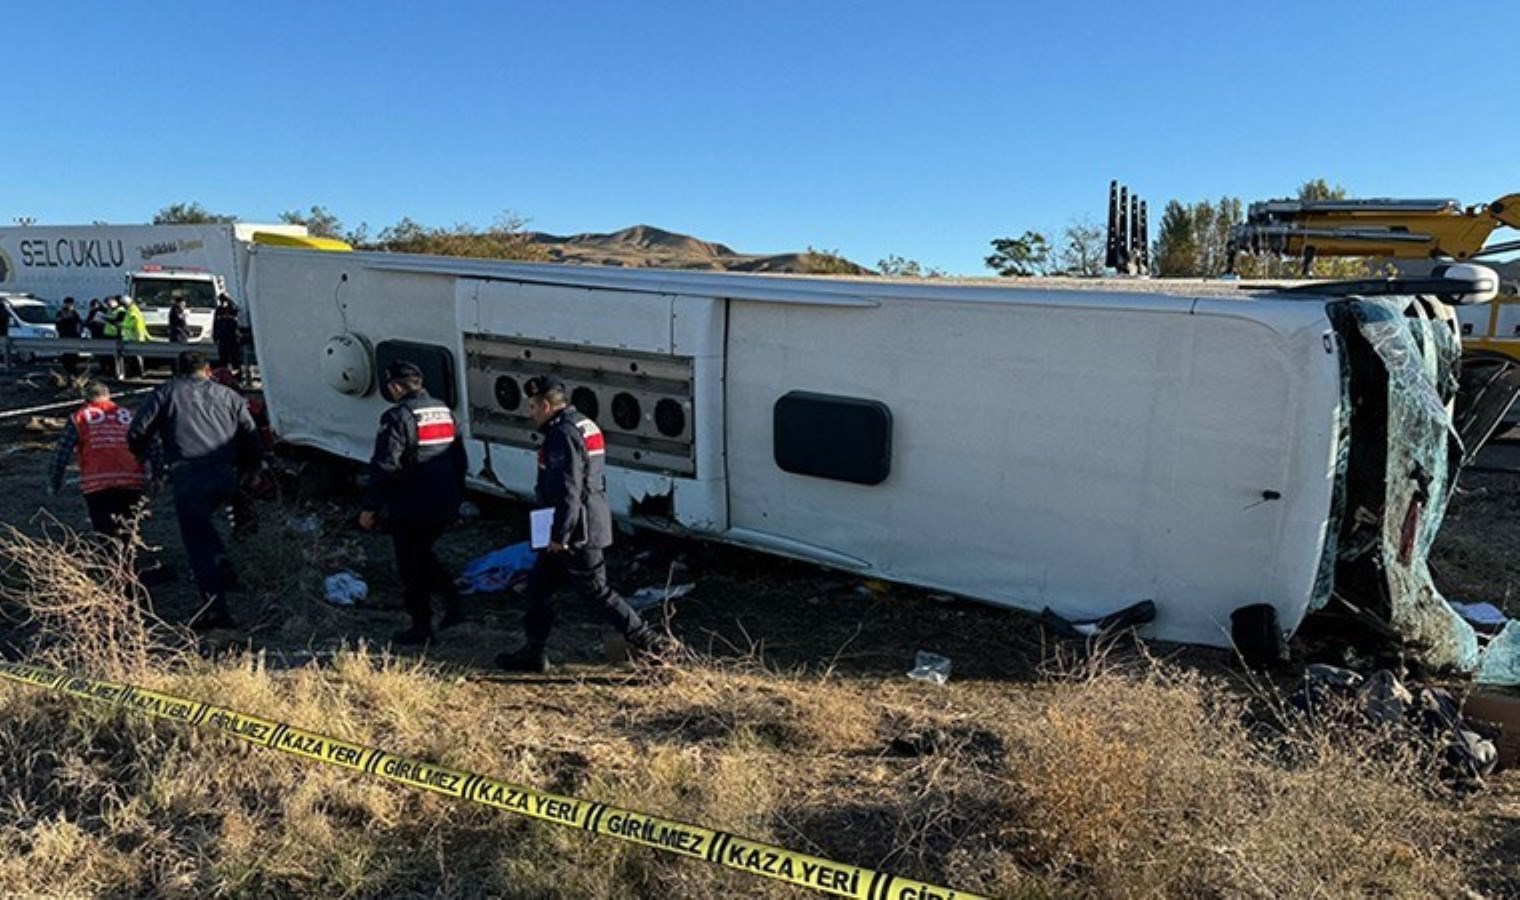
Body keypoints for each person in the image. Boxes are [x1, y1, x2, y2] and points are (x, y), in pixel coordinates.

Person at [496, 375, 678, 672]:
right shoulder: (583, 423)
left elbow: (569, 489)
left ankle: (655, 645)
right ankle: (534, 653)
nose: (530, 413)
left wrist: (560, 535)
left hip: (575, 530)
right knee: (537, 590)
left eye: (532, 406)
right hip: (579, 523)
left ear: (545, 405)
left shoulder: (561, 434)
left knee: (597, 592)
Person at [128, 351, 260, 630]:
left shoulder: (166, 392)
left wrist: (144, 456)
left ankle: (216, 611)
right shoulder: (229, 396)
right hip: (225, 473)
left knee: (196, 540)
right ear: (208, 369)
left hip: (188, 474)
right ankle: (223, 567)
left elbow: (137, 430)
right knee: (203, 523)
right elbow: (251, 434)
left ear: (177, 370)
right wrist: (250, 470)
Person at [359, 360, 467, 645]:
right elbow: (459, 460)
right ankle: (453, 601)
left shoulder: (397, 417)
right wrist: (457, 498)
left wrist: (370, 506)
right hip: (444, 502)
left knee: (410, 566)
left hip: (411, 505)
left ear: (395, 387)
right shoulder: (444, 411)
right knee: (421, 555)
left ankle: (422, 627)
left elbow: (385, 464)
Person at [47, 381, 149, 542]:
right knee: (129, 530)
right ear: (108, 396)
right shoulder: (129, 415)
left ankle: (111, 564)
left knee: (105, 531)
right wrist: (157, 474)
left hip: (97, 482)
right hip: (132, 479)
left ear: (85, 399)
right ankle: (129, 563)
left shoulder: (79, 417)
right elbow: (152, 444)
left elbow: (61, 452)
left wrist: (54, 482)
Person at [119, 295, 149, 378]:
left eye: (123, 304)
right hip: (134, 337)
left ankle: (138, 374)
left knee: (135, 358)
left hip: (134, 337)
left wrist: (121, 325)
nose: (123, 306)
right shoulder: (133, 310)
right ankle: (138, 373)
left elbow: (130, 323)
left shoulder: (132, 311)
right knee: (135, 357)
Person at [213, 295, 242, 374]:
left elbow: (237, 311)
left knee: (235, 359)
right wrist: (215, 336)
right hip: (223, 338)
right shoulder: (219, 310)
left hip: (232, 338)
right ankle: (224, 375)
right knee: (223, 359)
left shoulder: (232, 309)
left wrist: (230, 301)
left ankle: (237, 376)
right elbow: (215, 324)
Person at [55, 297, 83, 376]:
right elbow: (58, 323)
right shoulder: (61, 313)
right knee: (67, 353)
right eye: (68, 303)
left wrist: (79, 333)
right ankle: (68, 369)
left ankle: (73, 369)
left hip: (74, 336)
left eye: (71, 304)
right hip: (65, 335)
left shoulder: (74, 313)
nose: (70, 305)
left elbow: (78, 323)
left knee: (73, 353)